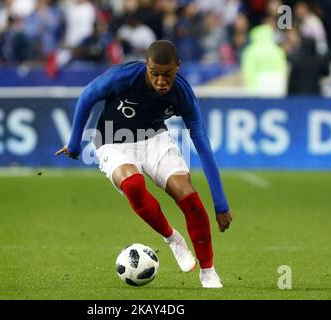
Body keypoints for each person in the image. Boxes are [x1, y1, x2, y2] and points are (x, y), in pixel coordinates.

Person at [55, 40, 232, 288]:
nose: (160, 81)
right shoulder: (124, 76)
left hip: (155, 140)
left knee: (190, 199)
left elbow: (202, 143)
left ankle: (208, 272)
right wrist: (74, 143)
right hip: (112, 140)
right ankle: (172, 239)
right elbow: (87, 96)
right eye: (154, 74)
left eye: (167, 74)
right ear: (147, 66)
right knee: (134, 185)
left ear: (178, 67)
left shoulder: (183, 94)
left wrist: (221, 204)